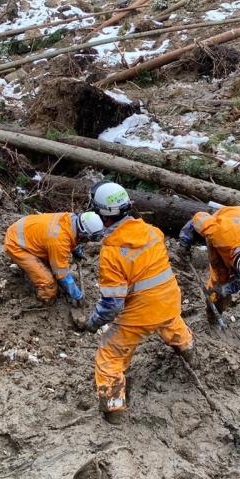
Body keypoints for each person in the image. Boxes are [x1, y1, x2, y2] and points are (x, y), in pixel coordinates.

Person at [75, 181, 194, 424]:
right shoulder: (152, 231)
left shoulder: (112, 252)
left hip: (141, 312)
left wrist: (93, 323)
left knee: (110, 353)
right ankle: (189, 351)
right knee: (171, 323)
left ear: (100, 214)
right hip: (170, 298)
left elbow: (112, 304)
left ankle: (114, 409)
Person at [4, 210, 104, 306]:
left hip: (27, 230)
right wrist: (77, 295)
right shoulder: (59, 241)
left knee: (55, 263)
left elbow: (72, 237)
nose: (87, 241)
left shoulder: (70, 219)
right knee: (49, 284)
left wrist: (76, 249)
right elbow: (62, 275)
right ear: (83, 234)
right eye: (88, 239)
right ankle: (44, 303)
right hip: (16, 244)